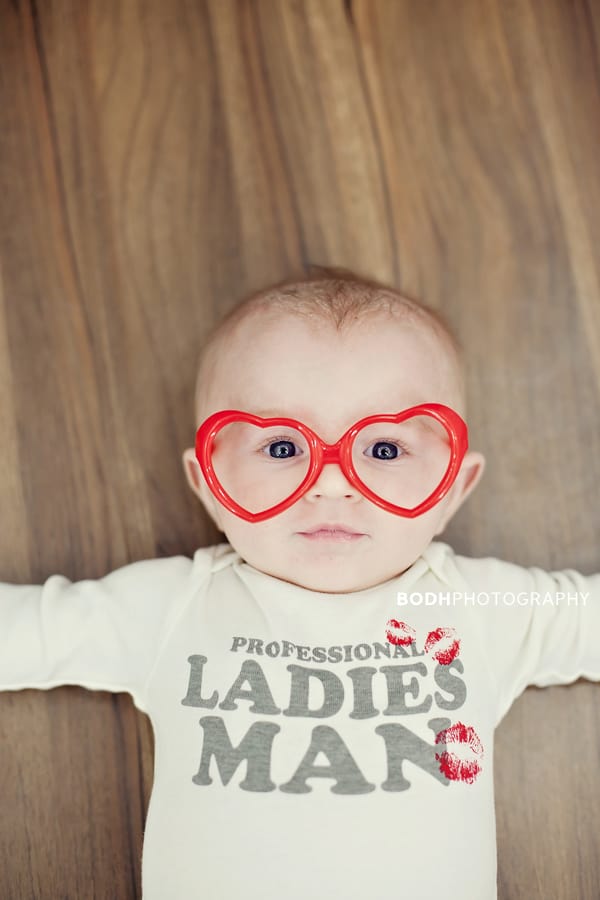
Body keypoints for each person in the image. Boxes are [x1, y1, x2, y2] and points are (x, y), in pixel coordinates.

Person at [1, 267, 598, 899]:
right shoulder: (169, 608)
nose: (331, 482)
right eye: (282, 448)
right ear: (207, 482)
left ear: (453, 489)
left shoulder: (486, 610)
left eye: (386, 450)